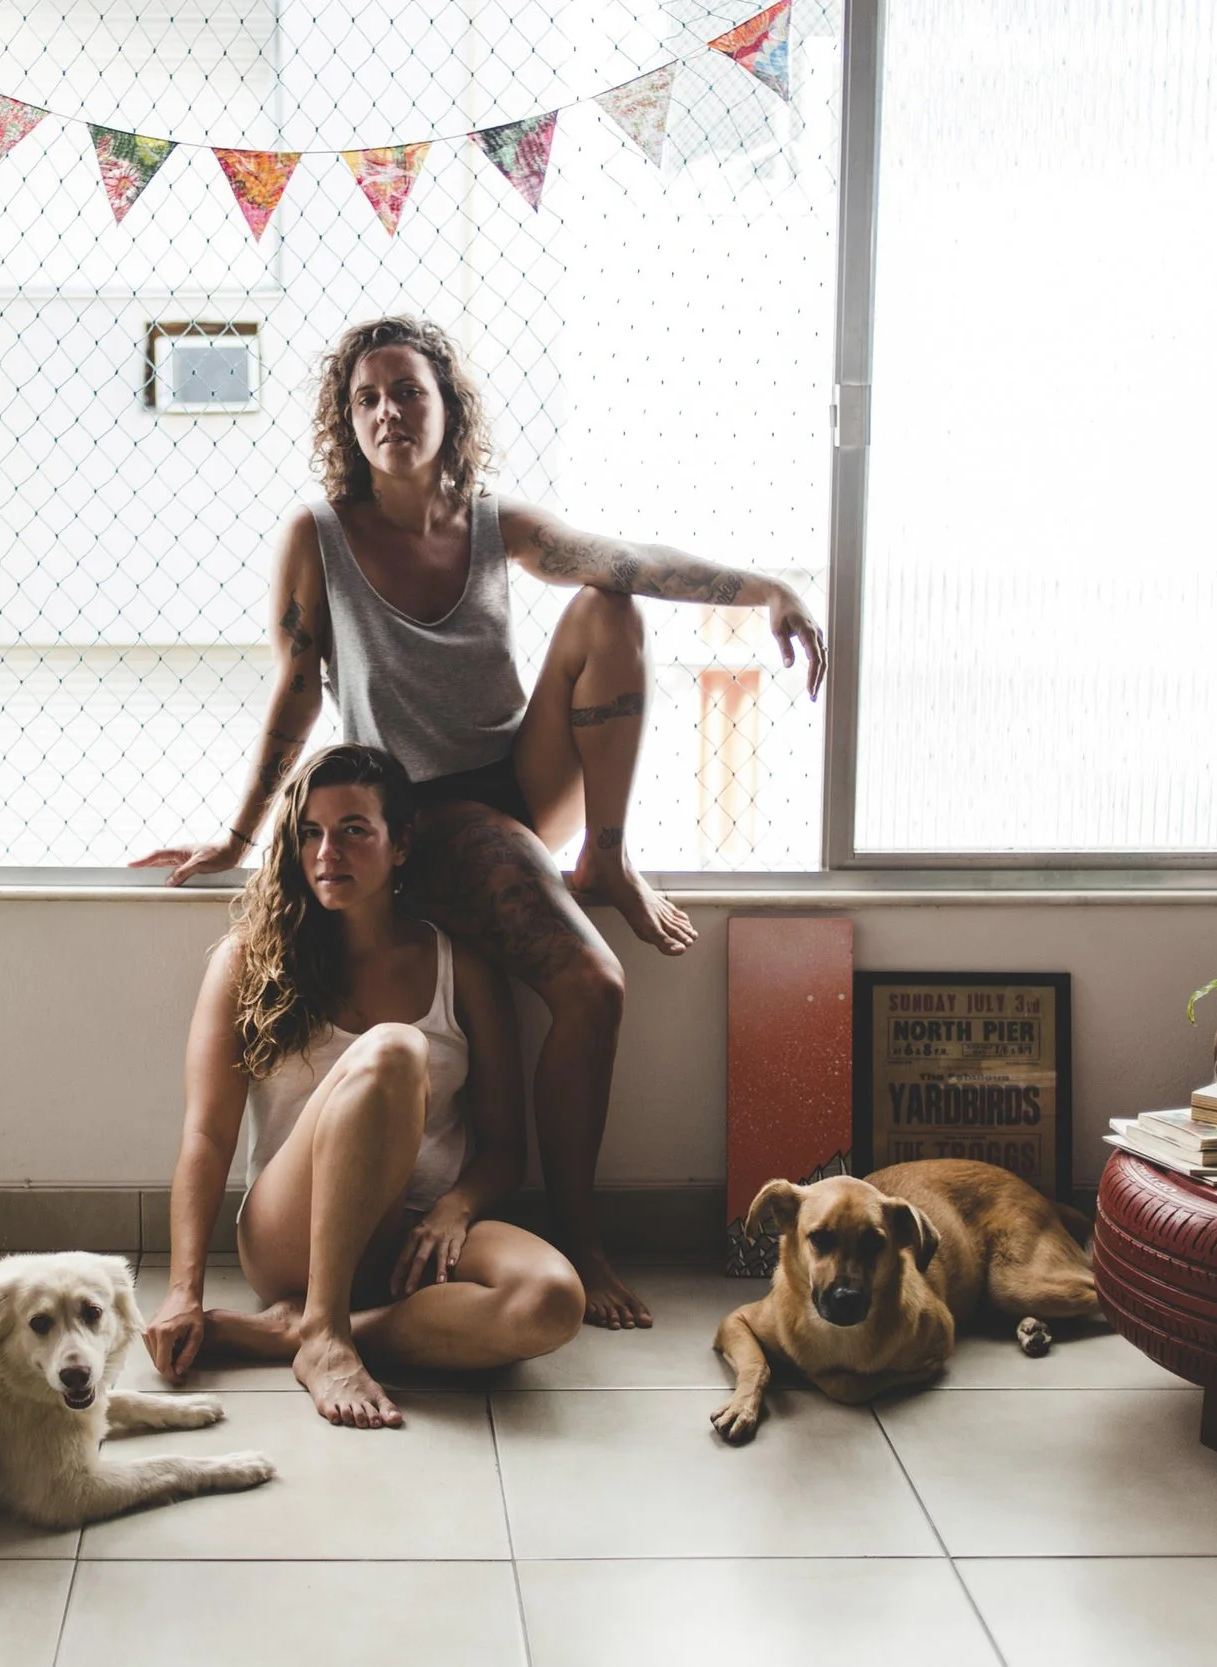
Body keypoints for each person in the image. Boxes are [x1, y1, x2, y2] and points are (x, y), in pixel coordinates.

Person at [135, 316, 827, 1329]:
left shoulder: (495, 523)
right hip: (424, 811)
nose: (388, 412)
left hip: (517, 775)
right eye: (367, 398)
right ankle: (580, 1238)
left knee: (611, 607)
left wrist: (769, 586)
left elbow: (624, 556)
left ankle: (608, 856)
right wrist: (244, 837)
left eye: (408, 391)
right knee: (591, 982)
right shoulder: (318, 537)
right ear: (346, 420)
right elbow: (294, 686)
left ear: (447, 407)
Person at [144, 743, 584, 1429]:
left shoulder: (457, 964)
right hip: (294, 1233)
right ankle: (323, 1331)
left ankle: (309, 1331)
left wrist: (458, 1206)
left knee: (551, 1299)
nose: (327, 852)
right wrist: (181, 1290)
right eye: (311, 832)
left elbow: (503, 1145)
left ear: (400, 843)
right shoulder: (247, 960)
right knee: (394, 1050)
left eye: (354, 829)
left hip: (419, 1233)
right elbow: (207, 1134)